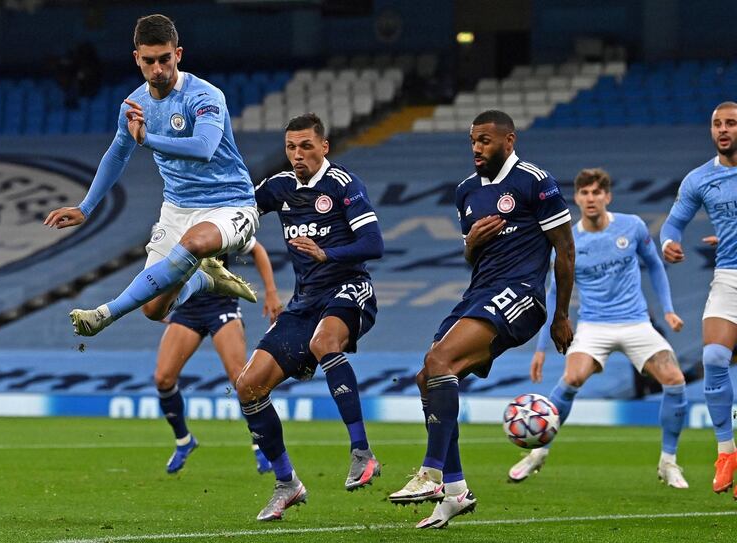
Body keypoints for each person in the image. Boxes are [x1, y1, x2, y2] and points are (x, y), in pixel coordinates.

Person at [388, 110, 575, 529]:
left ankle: (431, 474)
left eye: (486, 140)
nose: (477, 148)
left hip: (522, 295)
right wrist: (471, 242)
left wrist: (561, 315)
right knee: (429, 377)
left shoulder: (534, 181)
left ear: (509, 140)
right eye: (473, 140)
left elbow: (564, 249)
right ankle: (455, 492)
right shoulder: (466, 192)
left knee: (439, 364)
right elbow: (471, 257)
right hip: (479, 294)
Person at [44, 14, 257, 337]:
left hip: (229, 204)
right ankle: (204, 278)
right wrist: (85, 207)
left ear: (178, 55)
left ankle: (104, 314)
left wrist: (148, 140)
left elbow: (204, 147)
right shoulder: (134, 105)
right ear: (137, 59)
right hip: (176, 210)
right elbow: (117, 153)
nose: (158, 69)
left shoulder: (204, 96)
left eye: (165, 59)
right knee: (153, 309)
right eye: (149, 61)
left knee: (196, 242)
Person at [234, 113, 384, 521]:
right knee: (248, 386)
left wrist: (327, 253)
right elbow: (239, 209)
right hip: (305, 302)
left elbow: (373, 243)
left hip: (350, 289)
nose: (297, 155)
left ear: (324, 147)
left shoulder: (343, 185)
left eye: (305, 147)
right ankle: (287, 484)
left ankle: (362, 453)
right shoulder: (279, 187)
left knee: (323, 343)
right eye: (290, 148)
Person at [508, 168, 689, 488]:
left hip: (636, 322)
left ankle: (668, 462)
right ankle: (539, 452)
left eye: (597, 192)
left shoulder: (631, 226)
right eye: (585, 193)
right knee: (572, 378)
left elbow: (655, 265)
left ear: (608, 196)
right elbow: (552, 292)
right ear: (576, 198)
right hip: (593, 325)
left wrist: (669, 310)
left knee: (675, 380)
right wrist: (540, 349)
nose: (591, 199)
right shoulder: (567, 240)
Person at [661, 101, 737, 496]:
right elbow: (674, 221)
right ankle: (726, 452)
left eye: (731, 123)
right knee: (713, 358)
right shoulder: (699, 179)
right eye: (717, 124)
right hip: (729, 277)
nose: (723, 129)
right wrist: (669, 241)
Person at [157, 237, 282, 475]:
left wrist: (271, 292)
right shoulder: (168, 223)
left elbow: (257, 249)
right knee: (163, 378)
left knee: (241, 379)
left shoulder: (217, 219)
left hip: (221, 305)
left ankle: (261, 443)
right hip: (187, 308)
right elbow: (156, 267)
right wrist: (158, 301)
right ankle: (184, 440)